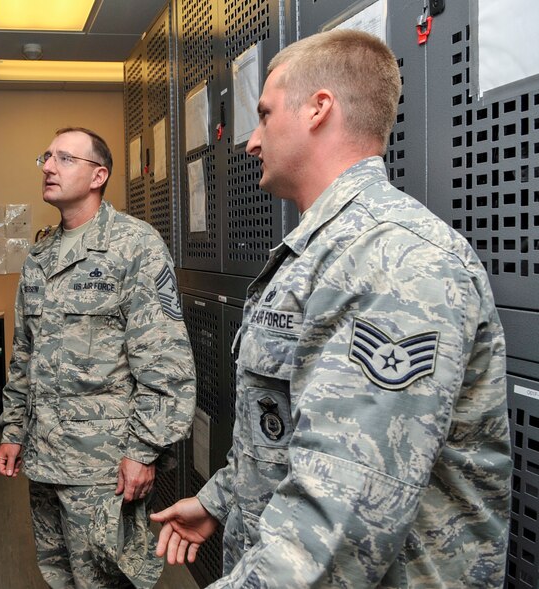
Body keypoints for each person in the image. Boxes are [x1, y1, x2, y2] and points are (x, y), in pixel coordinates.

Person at [151, 29, 512, 587]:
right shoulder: (327, 251)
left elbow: (340, 523)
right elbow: (290, 430)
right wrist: (221, 498)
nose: (250, 141)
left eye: (265, 114)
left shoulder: (392, 259)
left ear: (319, 109)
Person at [0, 127, 196, 588]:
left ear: (97, 175)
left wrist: (144, 450)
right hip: (45, 456)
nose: (48, 166)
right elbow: (24, 354)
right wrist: (13, 431)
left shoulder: (134, 246)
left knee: (106, 580)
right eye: (46, 156)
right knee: (60, 575)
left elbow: (165, 360)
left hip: (103, 467)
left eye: (64, 158)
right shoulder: (40, 256)